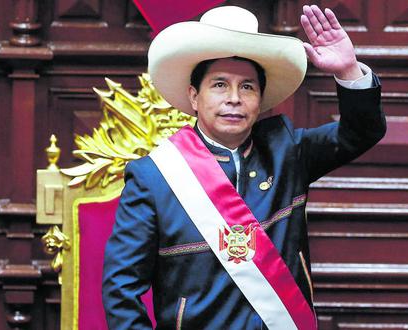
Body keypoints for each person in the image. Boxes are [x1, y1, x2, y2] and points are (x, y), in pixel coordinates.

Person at [103, 5, 386, 330]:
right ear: (194, 96)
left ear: (260, 99)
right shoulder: (154, 177)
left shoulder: (288, 151)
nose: (234, 98)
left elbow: (361, 133)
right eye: (220, 84)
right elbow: (121, 288)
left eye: (247, 86)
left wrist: (348, 70)